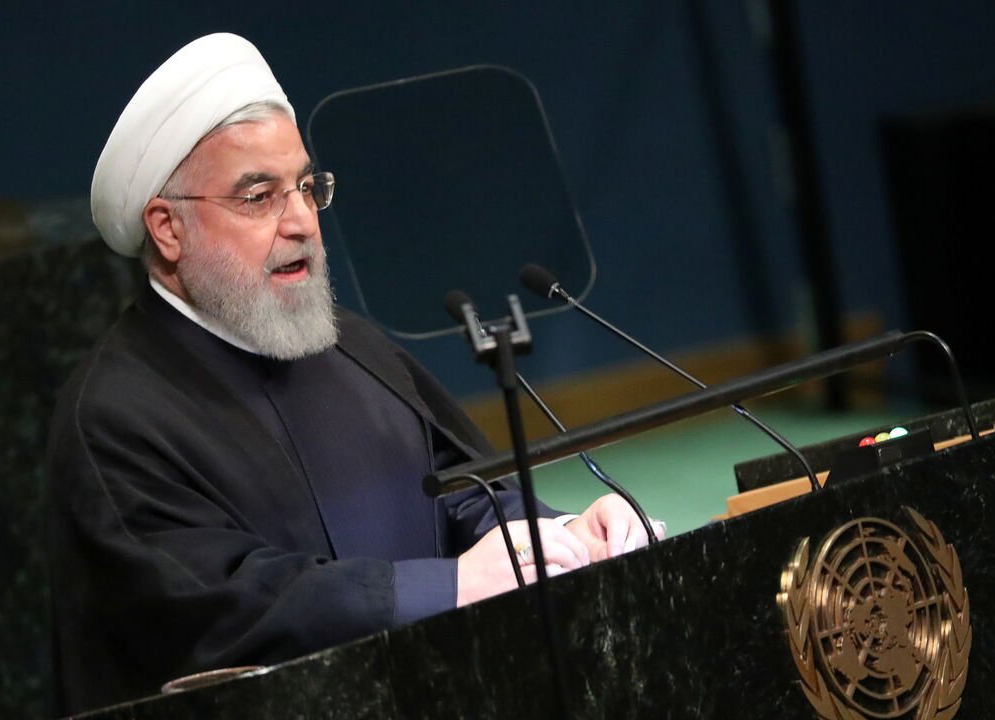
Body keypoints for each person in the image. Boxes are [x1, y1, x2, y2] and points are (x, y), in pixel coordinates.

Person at [47, 32, 659, 715]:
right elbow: (226, 608)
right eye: (259, 197)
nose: (303, 221)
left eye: (307, 188)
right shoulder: (115, 414)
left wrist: (568, 534)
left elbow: (457, 496)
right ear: (167, 229)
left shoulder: (352, 346)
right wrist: (445, 587)